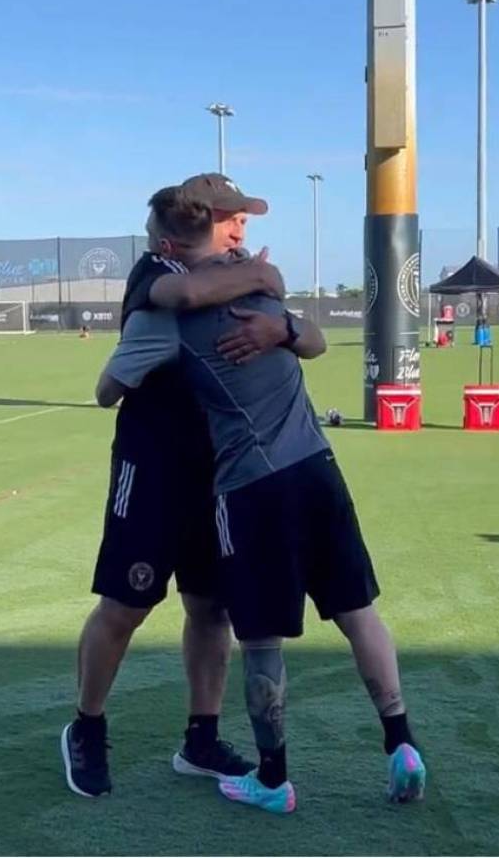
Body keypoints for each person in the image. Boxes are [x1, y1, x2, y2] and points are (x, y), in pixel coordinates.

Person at [97, 185, 426, 814]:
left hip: (252, 488)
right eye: (232, 223)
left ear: (169, 247)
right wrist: (280, 317)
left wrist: (139, 370)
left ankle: (273, 781)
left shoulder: (167, 312)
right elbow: (312, 340)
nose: (241, 234)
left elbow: (109, 387)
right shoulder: (261, 293)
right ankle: (401, 742)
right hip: (319, 467)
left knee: (260, 638)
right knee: (358, 612)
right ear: (212, 235)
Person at [62, 173, 324, 799]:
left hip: (223, 469)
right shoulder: (158, 276)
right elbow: (109, 387)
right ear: (194, 226)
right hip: (153, 466)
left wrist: (269, 304)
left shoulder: (236, 275)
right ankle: (86, 726)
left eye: (245, 220)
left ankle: (201, 739)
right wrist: (258, 276)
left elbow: (305, 337)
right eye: (231, 218)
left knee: (211, 607)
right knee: (126, 604)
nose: (241, 230)